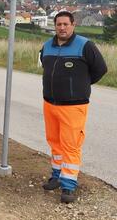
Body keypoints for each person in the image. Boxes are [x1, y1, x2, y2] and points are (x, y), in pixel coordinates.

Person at [40, 11, 107, 203]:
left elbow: (100, 69)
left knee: (71, 145)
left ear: (73, 25)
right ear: (55, 25)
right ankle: (56, 175)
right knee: (54, 141)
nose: (62, 28)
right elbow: (45, 66)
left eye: (65, 24)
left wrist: (81, 85)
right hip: (50, 103)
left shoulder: (85, 45)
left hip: (74, 106)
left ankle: (69, 185)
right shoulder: (47, 45)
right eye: (59, 24)